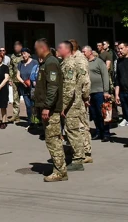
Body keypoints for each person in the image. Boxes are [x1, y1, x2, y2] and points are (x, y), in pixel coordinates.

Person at [33, 38, 68, 181]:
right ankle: (59, 168)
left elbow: (53, 87)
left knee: (53, 140)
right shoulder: (46, 62)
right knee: (51, 140)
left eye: (36, 49)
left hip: (51, 110)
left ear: (42, 48)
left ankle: (60, 171)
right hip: (47, 108)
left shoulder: (51, 62)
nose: (36, 52)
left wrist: (47, 106)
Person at [57, 41, 88, 170]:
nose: (58, 50)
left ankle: (78, 160)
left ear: (67, 50)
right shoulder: (65, 63)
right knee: (71, 130)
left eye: (60, 48)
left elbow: (69, 88)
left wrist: (63, 106)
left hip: (71, 104)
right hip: (73, 102)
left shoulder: (69, 64)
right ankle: (77, 156)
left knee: (72, 131)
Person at [84, 46, 110, 141]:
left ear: (90, 52)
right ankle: (98, 132)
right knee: (94, 114)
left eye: (84, 52)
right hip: (89, 93)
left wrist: (106, 91)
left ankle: (106, 133)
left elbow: (105, 76)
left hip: (99, 92)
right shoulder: (84, 63)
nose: (83, 53)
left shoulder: (99, 62)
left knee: (103, 114)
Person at [17, 49, 39, 128]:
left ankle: (36, 121)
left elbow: (37, 73)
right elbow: (18, 75)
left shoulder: (34, 62)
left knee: (33, 105)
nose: (23, 55)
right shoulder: (20, 63)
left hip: (33, 87)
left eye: (25, 53)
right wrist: (23, 82)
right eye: (22, 54)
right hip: (24, 87)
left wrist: (32, 81)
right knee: (28, 105)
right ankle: (30, 122)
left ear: (29, 54)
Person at [8, 41, 24, 123]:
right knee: (15, 99)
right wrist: (10, 79)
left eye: (17, 47)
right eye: (14, 47)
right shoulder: (13, 56)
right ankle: (16, 115)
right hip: (14, 80)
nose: (16, 49)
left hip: (23, 81)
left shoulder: (24, 55)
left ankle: (31, 117)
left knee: (27, 99)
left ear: (21, 47)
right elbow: (10, 67)